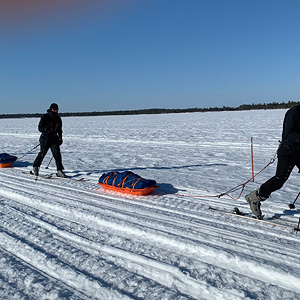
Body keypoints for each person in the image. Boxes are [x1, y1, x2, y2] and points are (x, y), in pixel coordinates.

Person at [246, 104, 300, 218]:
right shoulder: (294, 112)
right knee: (279, 180)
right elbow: (289, 134)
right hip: (288, 152)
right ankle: (255, 197)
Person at [32, 103, 66, 177]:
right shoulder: (45, 117)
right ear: (51, 109)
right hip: (45, 138)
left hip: (54, 138)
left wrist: (60, 138)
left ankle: (59, 170)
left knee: (57, 155)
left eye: (56, 109)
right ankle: (36, 166)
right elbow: (39, 127)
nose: (55, 111)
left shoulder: (58, 118)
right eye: (54, 109)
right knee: (42, 153)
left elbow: (59, 129)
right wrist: (44, 129)